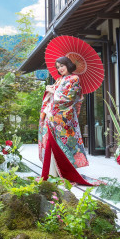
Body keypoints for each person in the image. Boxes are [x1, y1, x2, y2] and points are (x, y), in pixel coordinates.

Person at [38, 56, 92, 185]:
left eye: (62, 65)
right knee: (49, 143)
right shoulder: (59, 79)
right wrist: (50, 90)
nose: (60, 69)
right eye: (58, 67)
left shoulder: (74, 79)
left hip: (62, 119)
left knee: (62, 145)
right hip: (51, 116)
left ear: (68, 65)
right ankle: (52, 173)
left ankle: (64, 173)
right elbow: (52, 96)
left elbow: (68, 98)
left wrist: (53, 90)